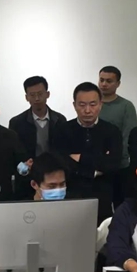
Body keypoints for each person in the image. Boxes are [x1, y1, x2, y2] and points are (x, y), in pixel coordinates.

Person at [54, 82, 122, 225]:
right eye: (82, 105)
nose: (87, 110)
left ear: (100, 104)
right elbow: (62, 163)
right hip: (71, 195)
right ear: (74, 105)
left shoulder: (112, 131)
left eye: (92, 104)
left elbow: (113, 164)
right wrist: (95, 170)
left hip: (102, 196)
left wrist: (81, 158)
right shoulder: (62, 130)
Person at [98, 66, 137, 209]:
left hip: (120, 167)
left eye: (109, 81)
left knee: (121, 206)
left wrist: (115, 158)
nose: (104, 84)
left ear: (118, 84)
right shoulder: (93, 105)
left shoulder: (126, 106)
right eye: (101, 80)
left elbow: (128, 136)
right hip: (96, 167)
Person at [9, 76, 67, 159]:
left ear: (47, 94)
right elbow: (14, 153)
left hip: (55, 166)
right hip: (29, 166)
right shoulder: (17, 123)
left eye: (40, 94)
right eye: (32, 95)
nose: (37, 98)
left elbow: (64, 150)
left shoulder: (59, 120)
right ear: (26, 97)